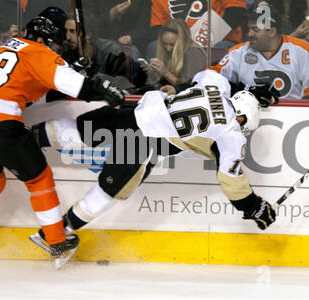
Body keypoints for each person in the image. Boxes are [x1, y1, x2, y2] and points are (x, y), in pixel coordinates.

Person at [0, 16, 125, 268]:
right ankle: (57, 244)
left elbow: (30, 93)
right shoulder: (40, 52)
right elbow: (77, 87)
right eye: (53, 45)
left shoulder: (6, 48)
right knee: (39, 179)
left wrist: (74, 72)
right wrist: (101, 88)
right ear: (41, 40)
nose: (55, 49)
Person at [29, 69, 277, 251]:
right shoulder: (231, 134)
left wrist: (249, 89)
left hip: (134, 113)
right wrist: (253, 206)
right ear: (242, 118)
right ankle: (55, 235)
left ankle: (21, 140)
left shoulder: (216, 87)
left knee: (78, 131)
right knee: (110, 191)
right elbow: (231, 180)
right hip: (140, 143)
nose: (242, 128)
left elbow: (208, 74)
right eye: (244, 124)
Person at [210, 3, 309, 99]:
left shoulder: (302, 50)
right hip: (248, 112)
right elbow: (211, 81)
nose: (249, 34)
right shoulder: (237, 53)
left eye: (255, 29)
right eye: (249, 29)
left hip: (292, 113)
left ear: (272, 31)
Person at [150, 0, 248, 49]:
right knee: (154, 46)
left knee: (220, 46)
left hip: (218, 40)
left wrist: (198, 41)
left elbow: (236, 13)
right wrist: (181, 42)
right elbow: (158, 27)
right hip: (177, 42)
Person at [142, 19, 206, 89]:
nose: (168, 48)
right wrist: (153, 73)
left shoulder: (194, 53)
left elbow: (189, 87)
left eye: (172, 45)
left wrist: (166, 73)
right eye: (164, 44)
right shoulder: (164, 51)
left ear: (183, 40)